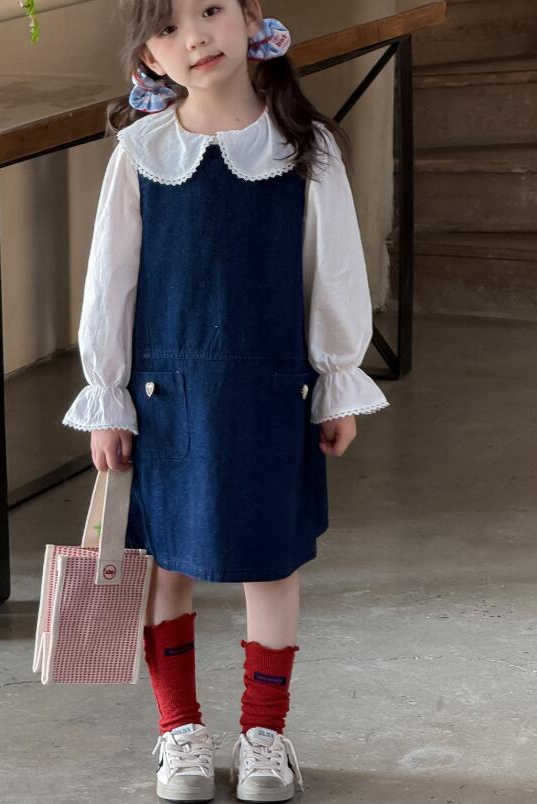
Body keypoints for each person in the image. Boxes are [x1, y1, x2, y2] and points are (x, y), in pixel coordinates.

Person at [61, 0, 390, 800]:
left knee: (269, 562)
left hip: (271, 389)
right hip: (166, 398)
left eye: (211, 10)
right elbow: (111, 282)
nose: (197, 37)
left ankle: (264, 735)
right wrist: (107, 396)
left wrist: (336, 382)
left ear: (251, 16)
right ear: (149, 57)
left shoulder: (304, 148)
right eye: (169, 28)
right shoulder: (142, 152)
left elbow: (333, 268)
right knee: (165, 563)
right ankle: (178, 730)